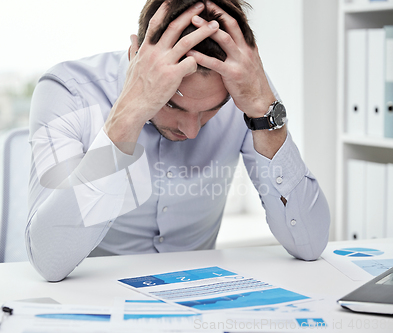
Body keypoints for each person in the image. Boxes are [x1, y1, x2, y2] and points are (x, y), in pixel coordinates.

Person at [26, 0, 330, 282]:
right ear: (136, 58)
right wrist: (129, 114)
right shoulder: (68, 90)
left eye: (212, 109)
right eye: (172, 104)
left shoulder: (244, 91)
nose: (192, 131)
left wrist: (265, 113)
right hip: (96, 302)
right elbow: (49, 260)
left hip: (199, 304)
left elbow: (310, 243)